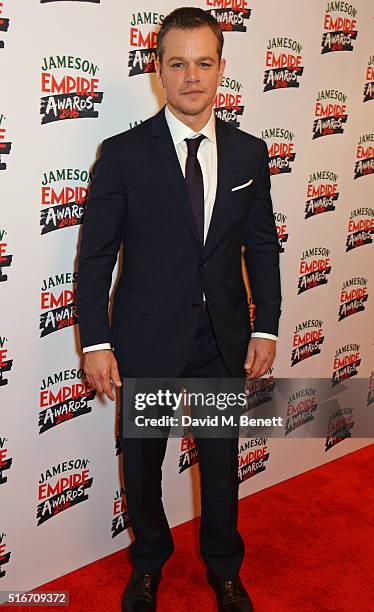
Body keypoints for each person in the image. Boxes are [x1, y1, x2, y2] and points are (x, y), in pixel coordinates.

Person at [77, 7, 282, 612]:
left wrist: (265, 325)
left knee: (221, 466)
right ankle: (148, 564)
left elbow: (263, 246)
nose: (192, 76)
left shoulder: (249, 153)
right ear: (157, 71)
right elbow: (96, 258)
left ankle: (224, 568)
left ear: (221, 68)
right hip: (145, 339)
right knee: (142, 468)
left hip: (221, 339)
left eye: (204, 62)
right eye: (178, 63)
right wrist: (96, 342)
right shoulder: (122, 153)